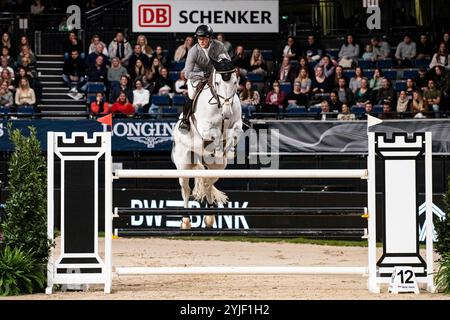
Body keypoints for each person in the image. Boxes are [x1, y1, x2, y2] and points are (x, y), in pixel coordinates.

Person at [179, 25, 230, 133]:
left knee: (228, 87)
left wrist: (223, 60)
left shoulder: (219, 45)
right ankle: (185, 120)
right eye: (199, 38)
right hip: (197, 76)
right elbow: (187, 73)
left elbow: (228, 62)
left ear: (210, 38)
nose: (201, 41)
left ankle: (239, 117)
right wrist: (203, 74)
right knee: (191, 94)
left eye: (204, 38)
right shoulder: (193, 51)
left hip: (215, 74)